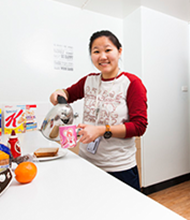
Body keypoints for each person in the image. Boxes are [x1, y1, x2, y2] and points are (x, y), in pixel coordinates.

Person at [50, 30, 148, 191]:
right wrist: (58, 93)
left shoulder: (132, 83)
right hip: (86, 162)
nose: (102, 56)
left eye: (108, 50)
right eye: (96, 51)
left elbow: (139, 126)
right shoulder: (89, 80)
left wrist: (102, 130)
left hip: (119, 168)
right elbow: (68, 94)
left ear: (119, 51)